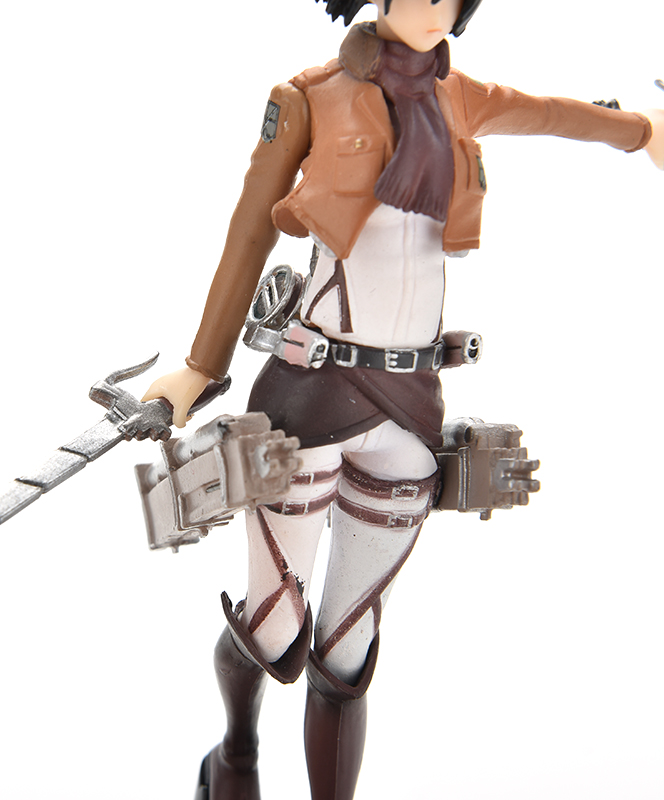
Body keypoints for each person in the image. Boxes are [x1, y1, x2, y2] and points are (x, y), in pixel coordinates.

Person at [142, 1, 663, 798]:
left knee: (347, 653)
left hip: (411, 404)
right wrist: (198, 366)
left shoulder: (462, 97)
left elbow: (557, 114)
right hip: (314, 394)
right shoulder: (307, 96)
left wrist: (644, 131)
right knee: (273, 627)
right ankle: (237, 753)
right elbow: (250, 228)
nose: (430, 7)